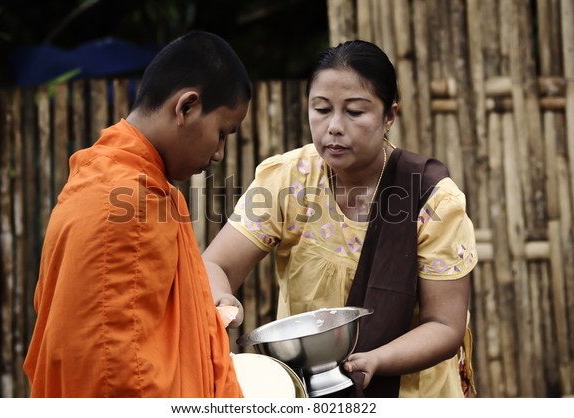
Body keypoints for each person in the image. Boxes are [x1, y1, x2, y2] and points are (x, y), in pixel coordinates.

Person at [203, 40, 478, 398]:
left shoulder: (432, 199)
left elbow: (444, 324)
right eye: (321, 109)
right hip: (310, 388)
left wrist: (376, 361)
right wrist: (222, 299)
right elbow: (215, 263)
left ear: (389, 116)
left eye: (355, 112)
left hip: (413, 394)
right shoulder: (289, 180)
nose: (333, 127)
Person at [23, 30, 251, 397]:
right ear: (186, 107)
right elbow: (120, 377)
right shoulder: (127, 202)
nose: (219, 153)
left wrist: (205, 312)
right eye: (222, 132)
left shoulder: (119, 179)